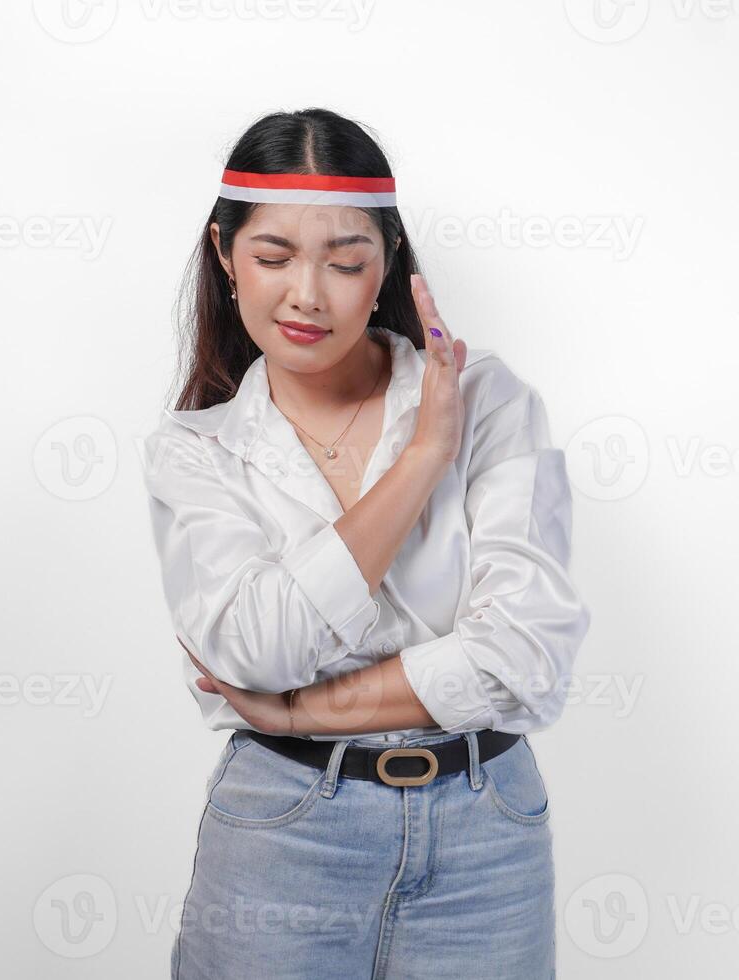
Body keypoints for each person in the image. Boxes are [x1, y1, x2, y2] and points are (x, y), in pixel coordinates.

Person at [142, 108, 592, 979]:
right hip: (286, 828)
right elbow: (260, 650)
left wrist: (299, 712)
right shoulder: (196, 451)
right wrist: (424, 457)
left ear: (386, 263)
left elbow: (527, 657)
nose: (307, 293)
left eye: (345, 262)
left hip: (486, 831)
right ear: (224, 254)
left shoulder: (488, 400)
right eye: (273, 257)